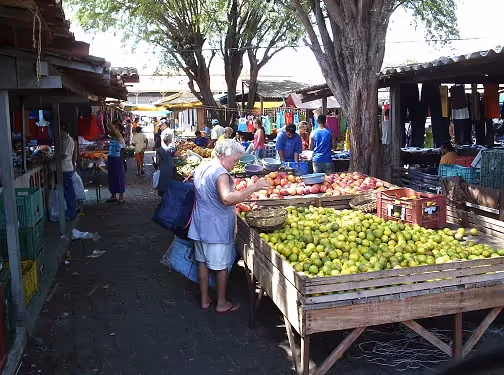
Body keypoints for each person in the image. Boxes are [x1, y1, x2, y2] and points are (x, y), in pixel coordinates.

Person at [188, 139, 270, 313]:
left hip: (200, 222)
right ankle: (221, 303)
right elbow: (227, 198)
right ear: (223, 155)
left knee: (202, 262)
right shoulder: (221, 173)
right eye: (234, 160)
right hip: (216, 227)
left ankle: (204, 300)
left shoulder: (204, 166)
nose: (236, 163)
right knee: (221, 266)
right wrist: (254, 188)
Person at [157, 129, 184, 197]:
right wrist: (184, 158)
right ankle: (169, 194)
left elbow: (159, 159)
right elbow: (179, 156)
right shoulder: (171, 148)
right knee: (169, 180)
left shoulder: (160, 148)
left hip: (163, 166)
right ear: (169, 140)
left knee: (163, 179)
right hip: (169, 166)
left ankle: (163, 193)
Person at [60, 123, 77, 220]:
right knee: (68, 192)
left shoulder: (67, 140)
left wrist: (53, 157)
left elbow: (63, 155)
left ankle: (71, 213)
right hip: (67, 167)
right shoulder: (66, 140)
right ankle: (71, 211)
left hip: (66, 168)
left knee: (69, 192)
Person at [106, 120, 126, 203]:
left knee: (119, 177)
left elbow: (112, 128)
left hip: (117, 159)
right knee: (112, 177)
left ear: (120, 130)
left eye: (116, 127)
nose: (113, 128)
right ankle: (113, 195)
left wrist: (111, 124)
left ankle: (121, 197)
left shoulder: (119, 136)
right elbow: (108, 129)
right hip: (111, 157)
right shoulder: (112, 135)